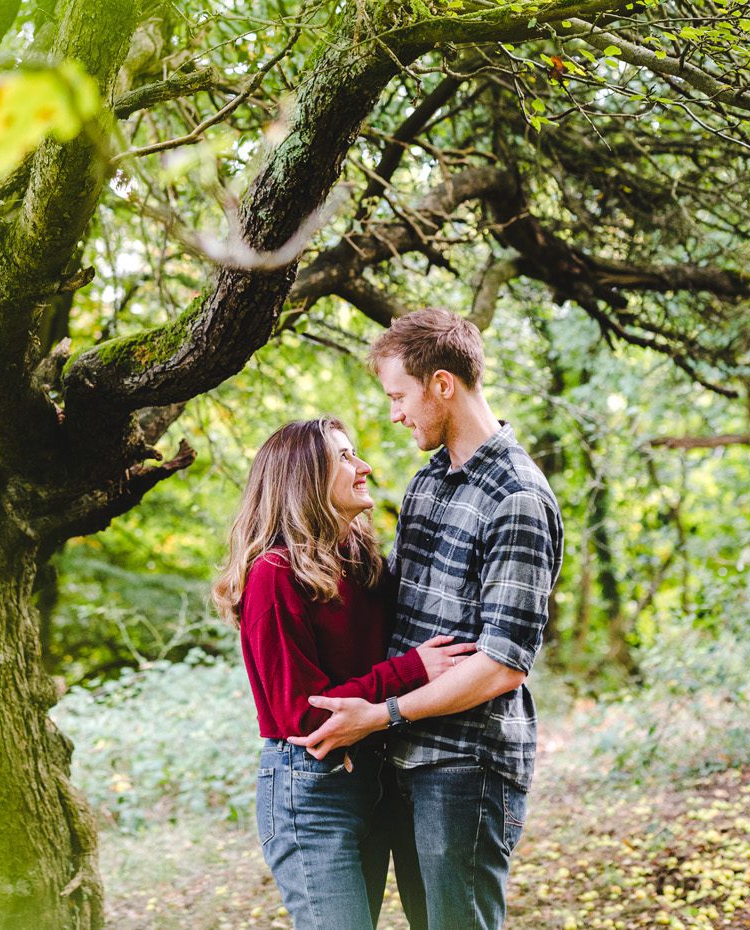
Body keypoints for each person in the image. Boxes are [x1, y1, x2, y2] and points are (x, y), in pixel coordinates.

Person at [291, 309, 564, 930]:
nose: (394, 413)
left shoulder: (517, 496)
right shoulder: (427, 484)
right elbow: (391, 614)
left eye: (398, 395)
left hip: (465, 765)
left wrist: (382, 713)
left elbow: (501, 667)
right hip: (404, 758)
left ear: (442, 384)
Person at [212, 417, 476, 930]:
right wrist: (412, 670)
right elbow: (305, 717)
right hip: (310, 793)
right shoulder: (274, 575)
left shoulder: (360, 562)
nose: (365, 467)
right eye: (346, 457)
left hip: (373, 780)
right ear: (306, 478)